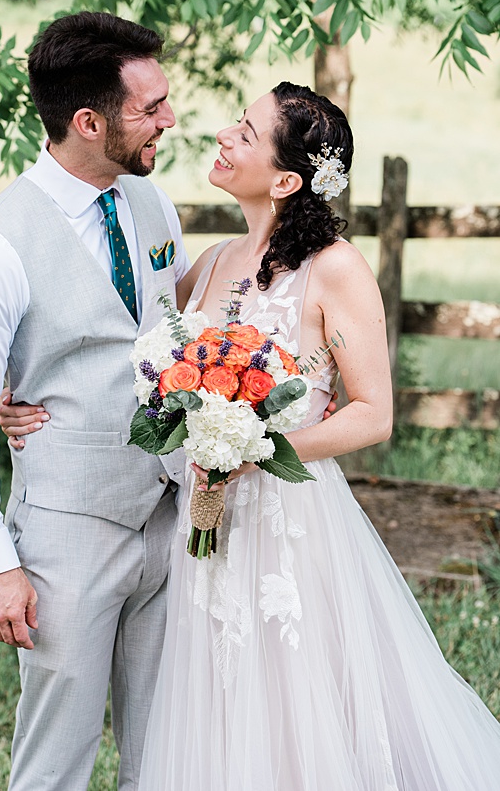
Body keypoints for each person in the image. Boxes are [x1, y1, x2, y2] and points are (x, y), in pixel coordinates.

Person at [135, 83, 500, 790]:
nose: (222, 135)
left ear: (284, 178)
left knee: (298, 697)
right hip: (205, 519)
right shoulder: (210, 264)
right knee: (215, 693)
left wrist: (257, 452)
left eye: (245, 131)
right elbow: (162, 358)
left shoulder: (336, 269)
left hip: (290, 523)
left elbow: (373, 412)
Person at [0, 11, 193, 791]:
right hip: (65, 541)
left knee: (167, 750)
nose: (170, 120)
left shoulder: (154, 207)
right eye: (150, 109)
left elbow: (171, 337)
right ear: (89, 122)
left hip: (170, 520)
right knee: (55, 762)